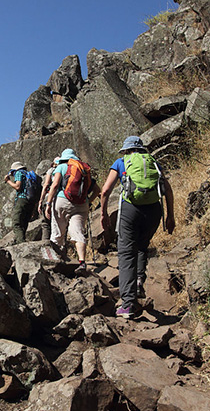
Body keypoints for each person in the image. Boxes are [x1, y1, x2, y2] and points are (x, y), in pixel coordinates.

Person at [100, 136, 175, 319]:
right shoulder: (153, 162)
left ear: (126, 150)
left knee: (126, 254)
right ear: (141, 149)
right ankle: (139, 282)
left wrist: (103, 214)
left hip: (130, 210)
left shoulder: (121, 162)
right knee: (142, 246)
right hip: (154, 211)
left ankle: (128, 304)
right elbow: (168, 189)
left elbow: (105, 190)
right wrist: (171, 216)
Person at [45, 148, 100, 271]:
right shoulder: (83, 169)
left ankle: (56, 262)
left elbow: (54, 186)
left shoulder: (61, 167)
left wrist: (48, 203)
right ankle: (82, 262)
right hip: (81, 204)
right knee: (78, 232)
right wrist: (88, 201)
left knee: (58, 232)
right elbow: (97, 190)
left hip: (62, 202)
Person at [4, 161, 37, 244]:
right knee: (24, 221)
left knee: (16, 222)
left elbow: (17, 186)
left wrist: (8, 181)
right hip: (31, 200)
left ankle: (20, 242)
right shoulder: (27, 174)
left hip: (22, 199)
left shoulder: (19, 173)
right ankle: (21, 239)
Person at [37, 157, 59, 240]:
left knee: (46, 224)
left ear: (53, 164)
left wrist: (41, 200)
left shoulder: (51, 171)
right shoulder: (66, 170)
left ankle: (45, 245)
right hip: (62, 199)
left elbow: (46, 185)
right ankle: (61, 248)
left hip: (49, 198)